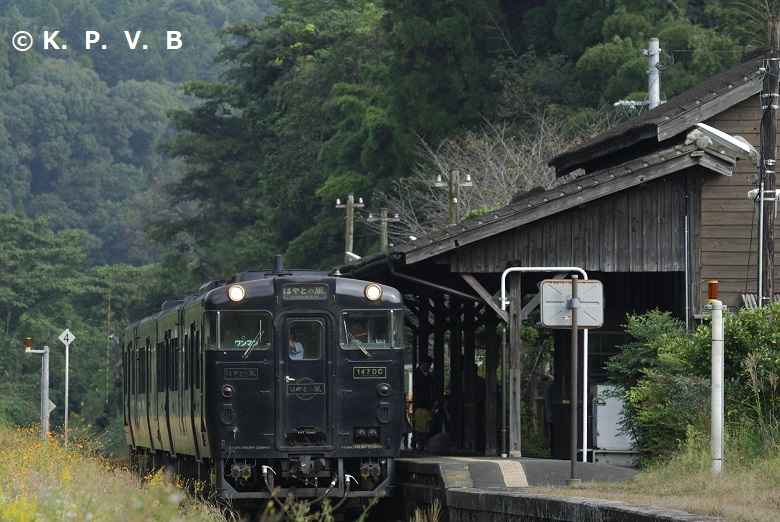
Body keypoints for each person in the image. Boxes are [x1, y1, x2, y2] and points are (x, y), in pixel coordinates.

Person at [412, 354, 434, 451]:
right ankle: (417, 443)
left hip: (428, 402)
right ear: (423, 363)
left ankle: (425, 443)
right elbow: (418, 385)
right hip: (419, 402)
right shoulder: (417, 373)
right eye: (428, 364)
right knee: (418, 424)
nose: (428, 367)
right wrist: (427, 377)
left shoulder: (429, 375)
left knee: (427, 424)